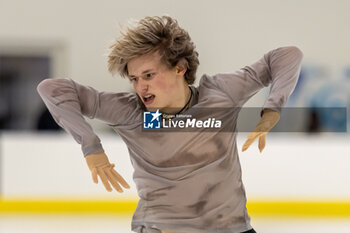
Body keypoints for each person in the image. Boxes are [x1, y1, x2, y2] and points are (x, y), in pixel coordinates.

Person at [36, 15, 303, 233]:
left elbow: (286, 55)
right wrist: (91, 146)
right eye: (134, 79)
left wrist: (272, 110)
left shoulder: (219, 94)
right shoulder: (132, 113)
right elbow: (53, 88)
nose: (141, 87)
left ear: (180, 68)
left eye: (149, 75)